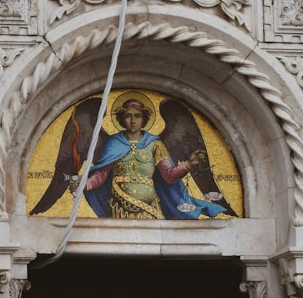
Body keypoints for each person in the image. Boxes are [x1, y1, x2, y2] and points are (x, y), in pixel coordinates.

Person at [76, 92, 228, 220]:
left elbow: (169, 175)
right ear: (122, 118)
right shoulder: (113, 143)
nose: (133, 120)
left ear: (144, 119)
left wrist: (189, 164)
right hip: (120, 203)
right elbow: (101, 174)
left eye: (137, 116)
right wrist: (86, 183)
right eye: (128, 116)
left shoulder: (155, 144)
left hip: (149, 204)